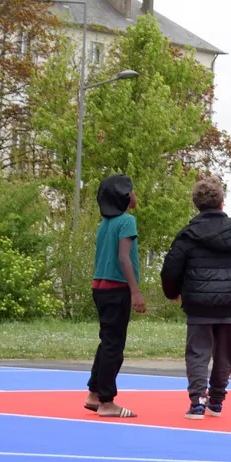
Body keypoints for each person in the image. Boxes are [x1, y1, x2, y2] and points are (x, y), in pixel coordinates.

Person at [161, 176, 231, 420]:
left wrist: (173, 292)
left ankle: (197, 402)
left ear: (196, 204)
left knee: (198, 352)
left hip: (198, 303)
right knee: (224, 352)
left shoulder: (188, 234)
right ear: (222, 203)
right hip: (229, 302)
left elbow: (171, 268)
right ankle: (216, 400)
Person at [85, 174, 144, 418]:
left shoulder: (104, 224)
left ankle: (94, 393)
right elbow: (123, 257)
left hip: (99, 287)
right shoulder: (127, 221)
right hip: (116, 288)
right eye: (131, 191)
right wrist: (135, 290)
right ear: (125, 197)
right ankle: (107, 402)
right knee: (114, 346)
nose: (134, 195)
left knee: (106, 341)